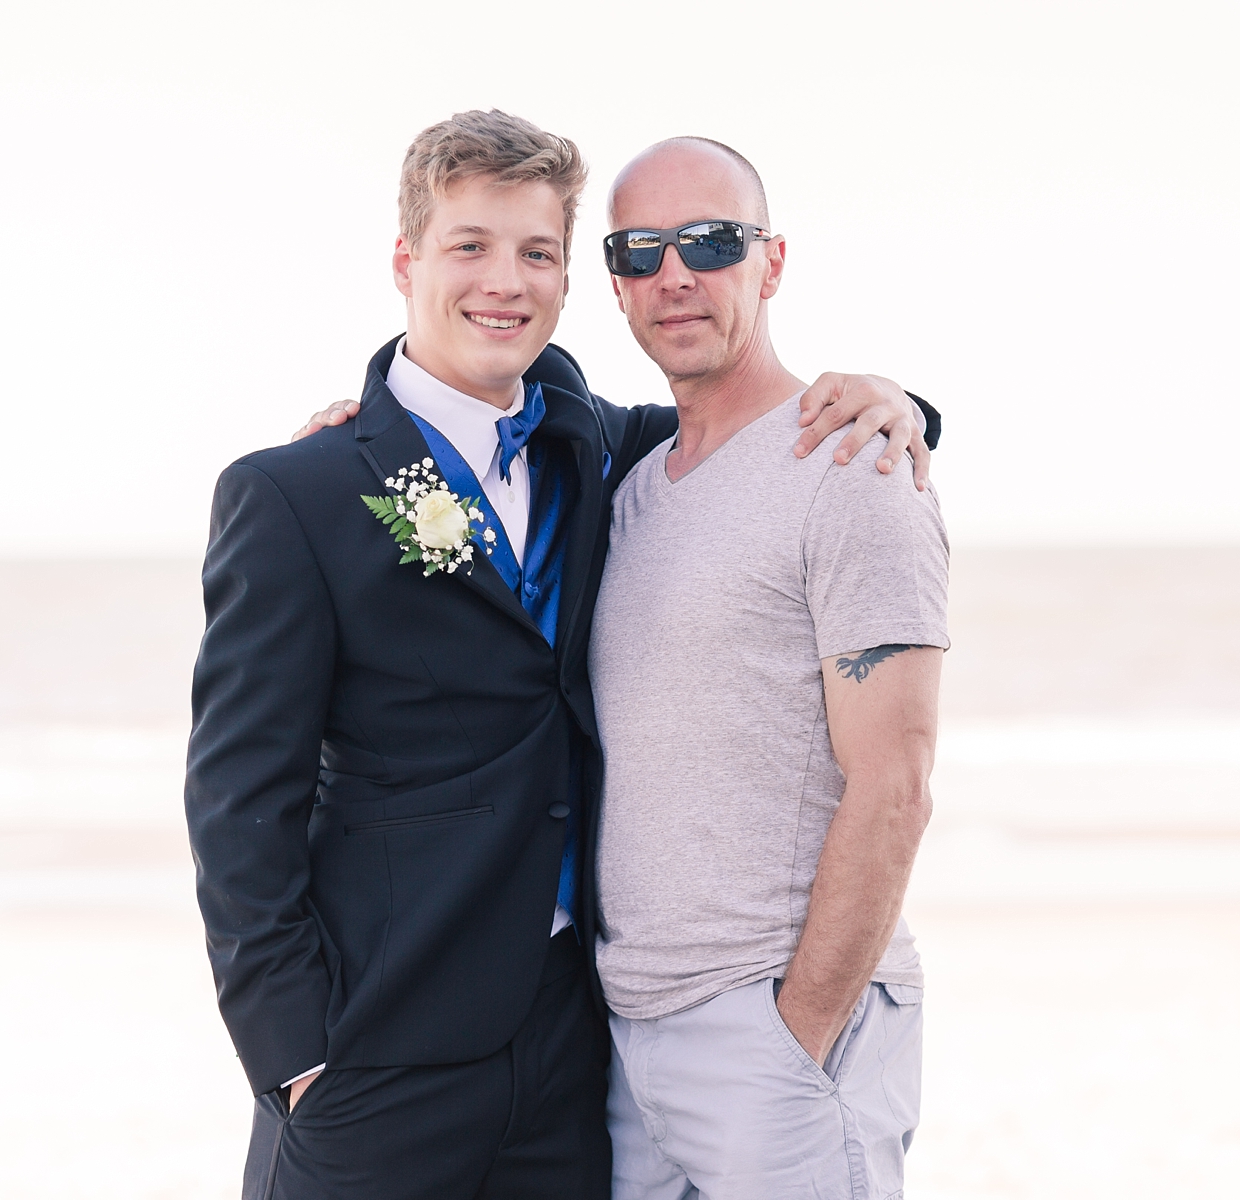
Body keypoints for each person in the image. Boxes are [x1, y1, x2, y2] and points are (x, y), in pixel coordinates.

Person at [185, 109, 936, 1200]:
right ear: (407, 262)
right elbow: (237, 800)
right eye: (471, 247)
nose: (506, 281)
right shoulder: (299, 491)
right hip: (376, 1045)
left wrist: (903, 405)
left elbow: (751, 444)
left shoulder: (591, 444)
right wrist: (292, 1056)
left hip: (573, 1046)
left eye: (538, 253)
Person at [591, 138, 947, 1200]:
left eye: (710, 241)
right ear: (614, 281)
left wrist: (799, 1029)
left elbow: (898, 784)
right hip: (626, 1042)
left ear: (772, 261)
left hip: (776, 1033)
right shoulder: (630, 486)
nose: (676, 275)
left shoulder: (855, 468)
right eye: (641, 250)